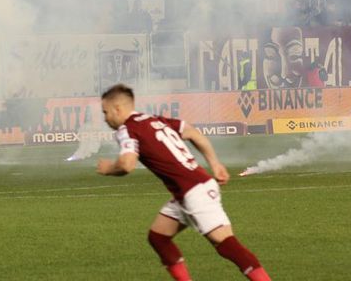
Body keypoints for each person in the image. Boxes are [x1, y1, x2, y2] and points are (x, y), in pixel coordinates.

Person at [96, 84, 271, 281]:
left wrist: (108, 169)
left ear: (117, 109)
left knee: (227, 245)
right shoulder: (155, 120)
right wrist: (214, 163)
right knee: (158, 238)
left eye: (105, 112)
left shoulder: (127, 129)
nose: (105, 118)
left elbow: (127, 165)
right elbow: (192, 132)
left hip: (195, 192)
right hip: (190, 191)